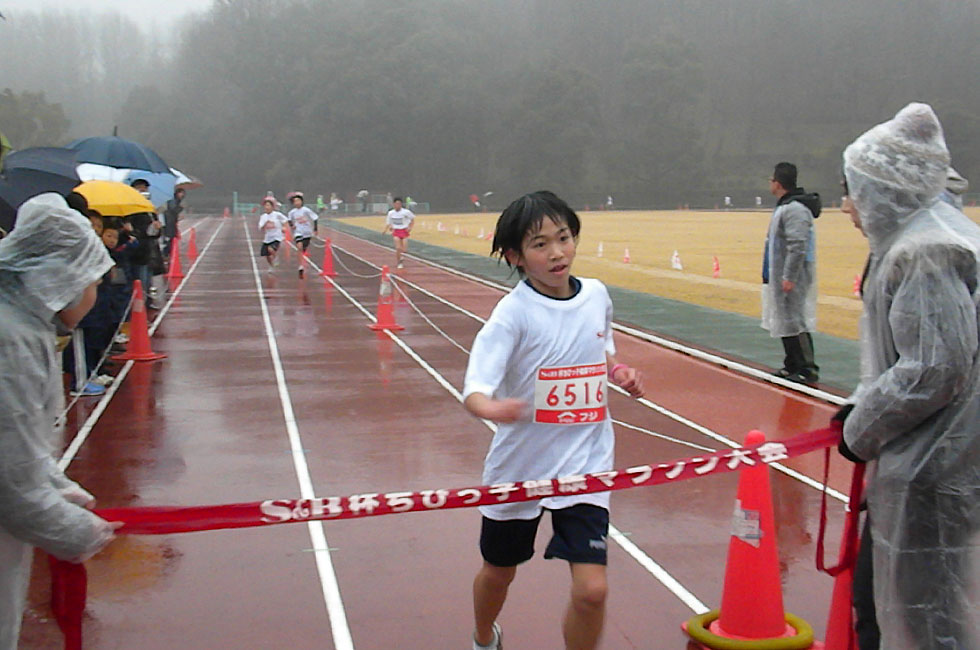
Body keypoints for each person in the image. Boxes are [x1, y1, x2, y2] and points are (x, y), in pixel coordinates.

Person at [462, 191, 645, 650]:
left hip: (586, 463)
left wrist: (617, 372)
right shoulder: (512, 314)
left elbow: (600, 350)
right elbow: (475, 390)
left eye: (563, 238)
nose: (557, 252)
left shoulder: (597, 295)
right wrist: (492, 408)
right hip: (520, 467)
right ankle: (485, 636)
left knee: (592, 591)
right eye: (540, 244)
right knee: (499, 572)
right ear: (515, 257)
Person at [836, 102, 980, 649]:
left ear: (882, 188)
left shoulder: (925, 251)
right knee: (922, 603)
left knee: (919, 612)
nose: (848, 206)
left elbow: (932, 369)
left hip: (933, 468)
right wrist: (863, 406)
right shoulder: (934, 237)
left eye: (853, 189)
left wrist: (860, 431)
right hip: (941, 460)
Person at [0, 193, 121, 649]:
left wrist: (54, 484)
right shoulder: (11, 340)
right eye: (93, 281)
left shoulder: (21, 325)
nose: (94, 295)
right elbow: (8, 482)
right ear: (60, 277)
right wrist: (80, 532)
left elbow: (14, 442)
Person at [762, 162, 821, 384]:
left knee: (796, 319)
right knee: (785, 318)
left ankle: (807, 367)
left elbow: (798, 245)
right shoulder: (785, 206)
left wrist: (789, 276)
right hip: (779, 273)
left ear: (777, 182)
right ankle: (791, 364)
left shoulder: (795, 209)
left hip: (792, 276)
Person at [287, 193, 318, 278]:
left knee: (303, 249)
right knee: (299, 247)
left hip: (307, 233)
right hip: (298, 232)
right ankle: (300, 266)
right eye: (295, 201)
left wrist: (315, 229)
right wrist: (292, 225)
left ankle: (302, 261)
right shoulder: (292, 212)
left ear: (302, 201)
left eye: (298, 200)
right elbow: (289, 220)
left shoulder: (306, 210)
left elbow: (315, 218)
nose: (297, 202)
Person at [382, 197, 415, 270]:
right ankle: (399, 262)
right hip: (396, 231)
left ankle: (402, 256)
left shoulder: (406, 212)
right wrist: (386, 229)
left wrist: (410, 227)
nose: (397, 205)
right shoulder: (391, 213)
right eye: (396, 204)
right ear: (393, 204)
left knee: (404, 249)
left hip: (404, 231)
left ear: (401, 204)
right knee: (398, 248)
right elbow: (388, 222)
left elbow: (412, 219)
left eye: (399, 204)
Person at [258, 198, 288, 272]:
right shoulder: (263, 216)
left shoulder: (277, 215)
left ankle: (276, 257)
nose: (266, 207)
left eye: (268, 205)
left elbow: (285, 220)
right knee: (266, 255)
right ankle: (271, 266)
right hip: (267, 238)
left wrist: (284, 227)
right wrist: (265, 224)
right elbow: (260, 228)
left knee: (270, 249)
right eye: (265, 205)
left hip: (277, 237)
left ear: (272, 207)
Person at [162, 187, 185, 258]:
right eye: (181, 193)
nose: (182, 195)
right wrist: (180, 208)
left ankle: (168, 253)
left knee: (171, 238)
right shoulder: (173, 200)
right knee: (169, 238)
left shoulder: (176, 200)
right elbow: (173, 209)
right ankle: (166, 253)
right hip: (169, 222)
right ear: (177, 193)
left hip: (171, 221)